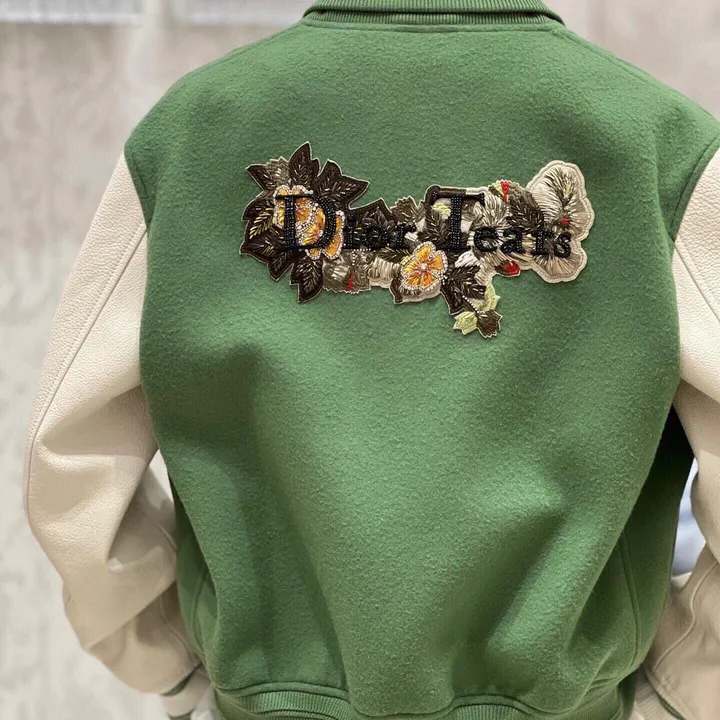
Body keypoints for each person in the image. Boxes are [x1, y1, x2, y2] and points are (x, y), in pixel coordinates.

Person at [23, 2, 720, 719]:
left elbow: (72, 468)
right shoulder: (658, 142)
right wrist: (679, 678)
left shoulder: (192, 130)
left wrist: (170, 659)